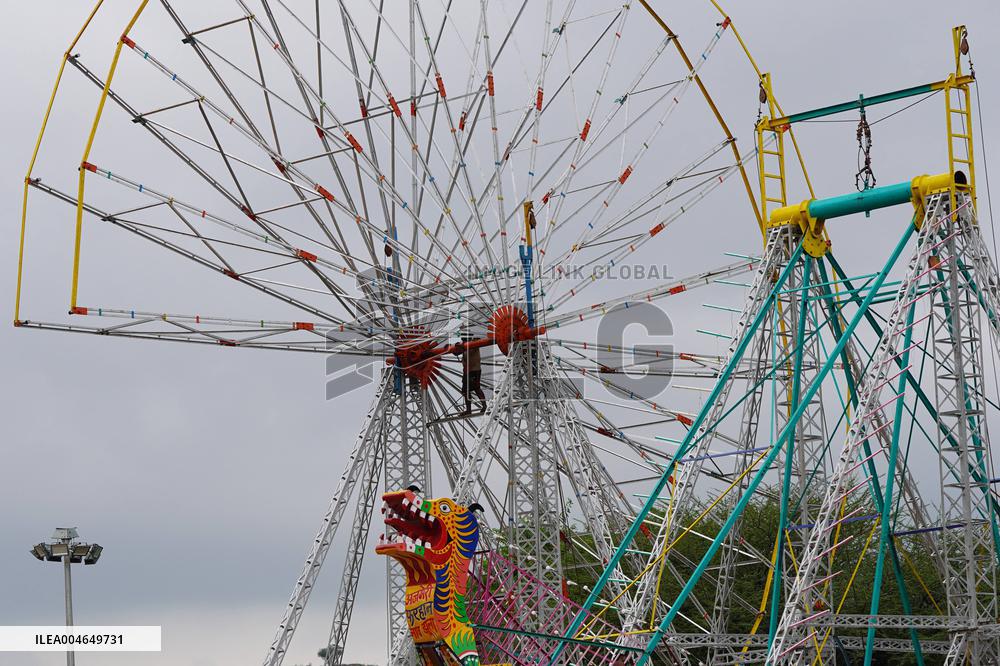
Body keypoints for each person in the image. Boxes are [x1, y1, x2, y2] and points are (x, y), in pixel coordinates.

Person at [454, 338, 486, 415]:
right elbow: (456, 353)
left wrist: (461, 346)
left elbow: (478, 341)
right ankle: (469, 410)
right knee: (465, 391)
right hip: (467, 371)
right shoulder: (463, 345)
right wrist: (454, 347)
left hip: (474, 370)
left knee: (476, 388)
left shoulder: (474, 342)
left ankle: (484, 406)